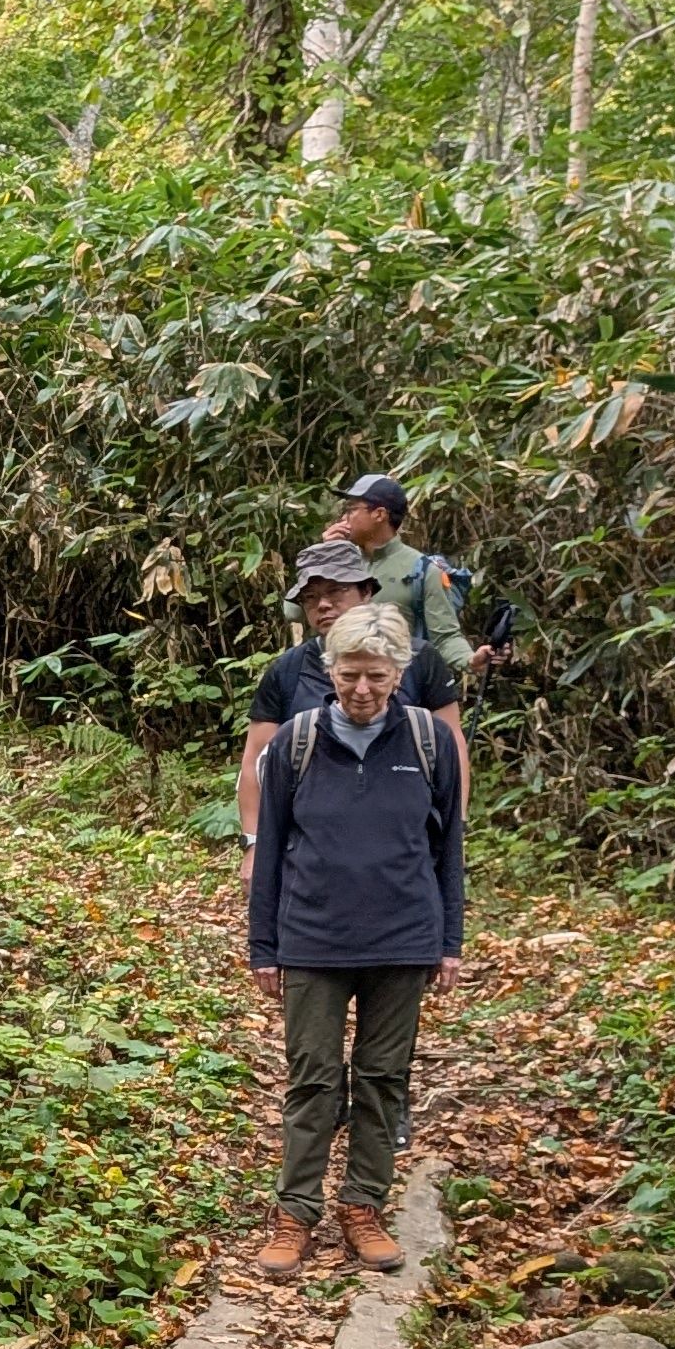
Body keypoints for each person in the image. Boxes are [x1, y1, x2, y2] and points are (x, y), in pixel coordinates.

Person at [246, 601, 465, 1276]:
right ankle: (295, 1213)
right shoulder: (298, 742)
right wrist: (264, 946)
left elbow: (448, 845)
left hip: (403, 939)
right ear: (330, 671)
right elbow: (272, 847)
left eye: (376, 675)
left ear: (399, 673)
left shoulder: (429, 743)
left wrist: (449, 941)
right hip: (313, 938)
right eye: (349, 674)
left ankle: (363, 1205)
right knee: (312, 1079)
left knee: (382, 1080)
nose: (363, 689)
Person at [236, 535, 464, 846]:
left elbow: (453, 747)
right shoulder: (288, 671)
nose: (323, 605)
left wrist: (455, 829)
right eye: (311, 597)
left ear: (366, 591)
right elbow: (255, 763)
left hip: (405, 844)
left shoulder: (416, 660)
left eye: (335, 591)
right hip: (311, 849)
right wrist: (252, 842)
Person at [329, 472, 476, 681]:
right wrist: (324, 556)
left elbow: (445, 637)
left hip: (400, 690)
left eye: (351, 509)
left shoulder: (423, 571)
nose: (344, 518)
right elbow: (294, 612)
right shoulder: (338, 562)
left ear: (379, 514)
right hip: (338, 685)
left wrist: (471, 660)